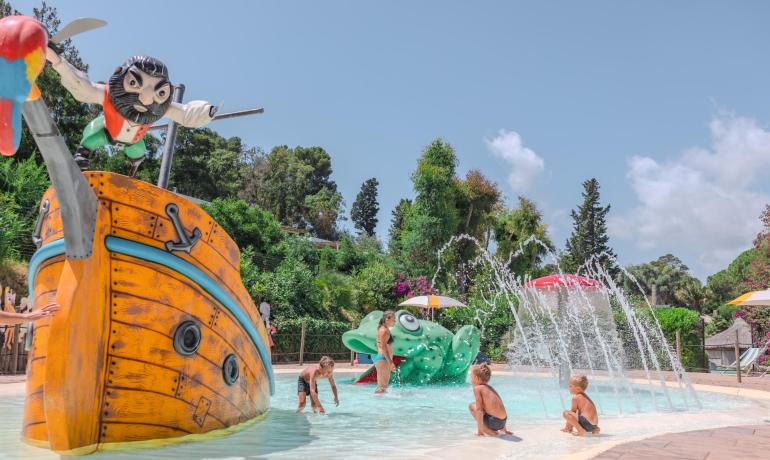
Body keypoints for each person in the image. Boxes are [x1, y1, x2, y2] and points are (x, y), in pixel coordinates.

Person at [468, 363, 512, 436]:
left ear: (476, 378)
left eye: (471, 377)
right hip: (503, 422)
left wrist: (480, 432)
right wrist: (504, 429)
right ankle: (500, 429)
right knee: (485, 407)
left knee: (472, 406)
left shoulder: (477, 388)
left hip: (494, 422)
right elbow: (499, 406)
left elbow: (479, 410)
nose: (471, 380)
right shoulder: (490, 388)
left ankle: (487, 430)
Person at [373, 310, 396, 394]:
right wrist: (390, 362)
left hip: (383, 358)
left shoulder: (384, 329)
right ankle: (377, 405)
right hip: (383, 358)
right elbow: (383, 346)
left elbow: (378, 344)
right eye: (393, 319)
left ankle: (380, 405)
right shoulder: (383, 330)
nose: (395, 321)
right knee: (382, 387)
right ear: (387, 319)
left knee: (383, 386)